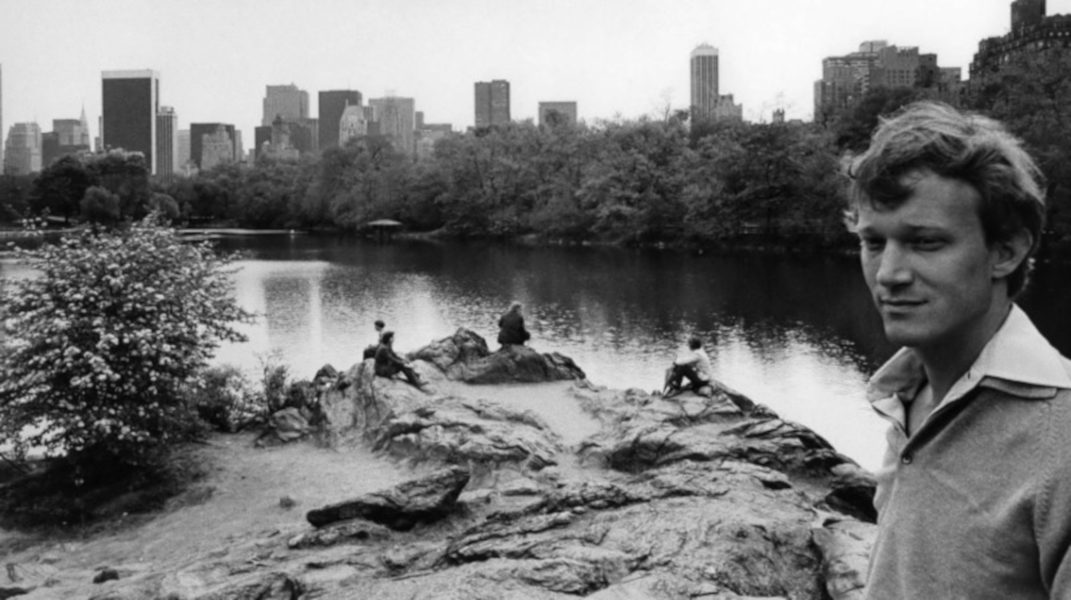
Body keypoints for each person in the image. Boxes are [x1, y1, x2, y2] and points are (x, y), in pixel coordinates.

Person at [845, 101, 1071, 598]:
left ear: (1005, 251)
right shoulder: (909, 397)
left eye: (925, 242)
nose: (888, 274)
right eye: (874, 243)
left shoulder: (1061, 440)